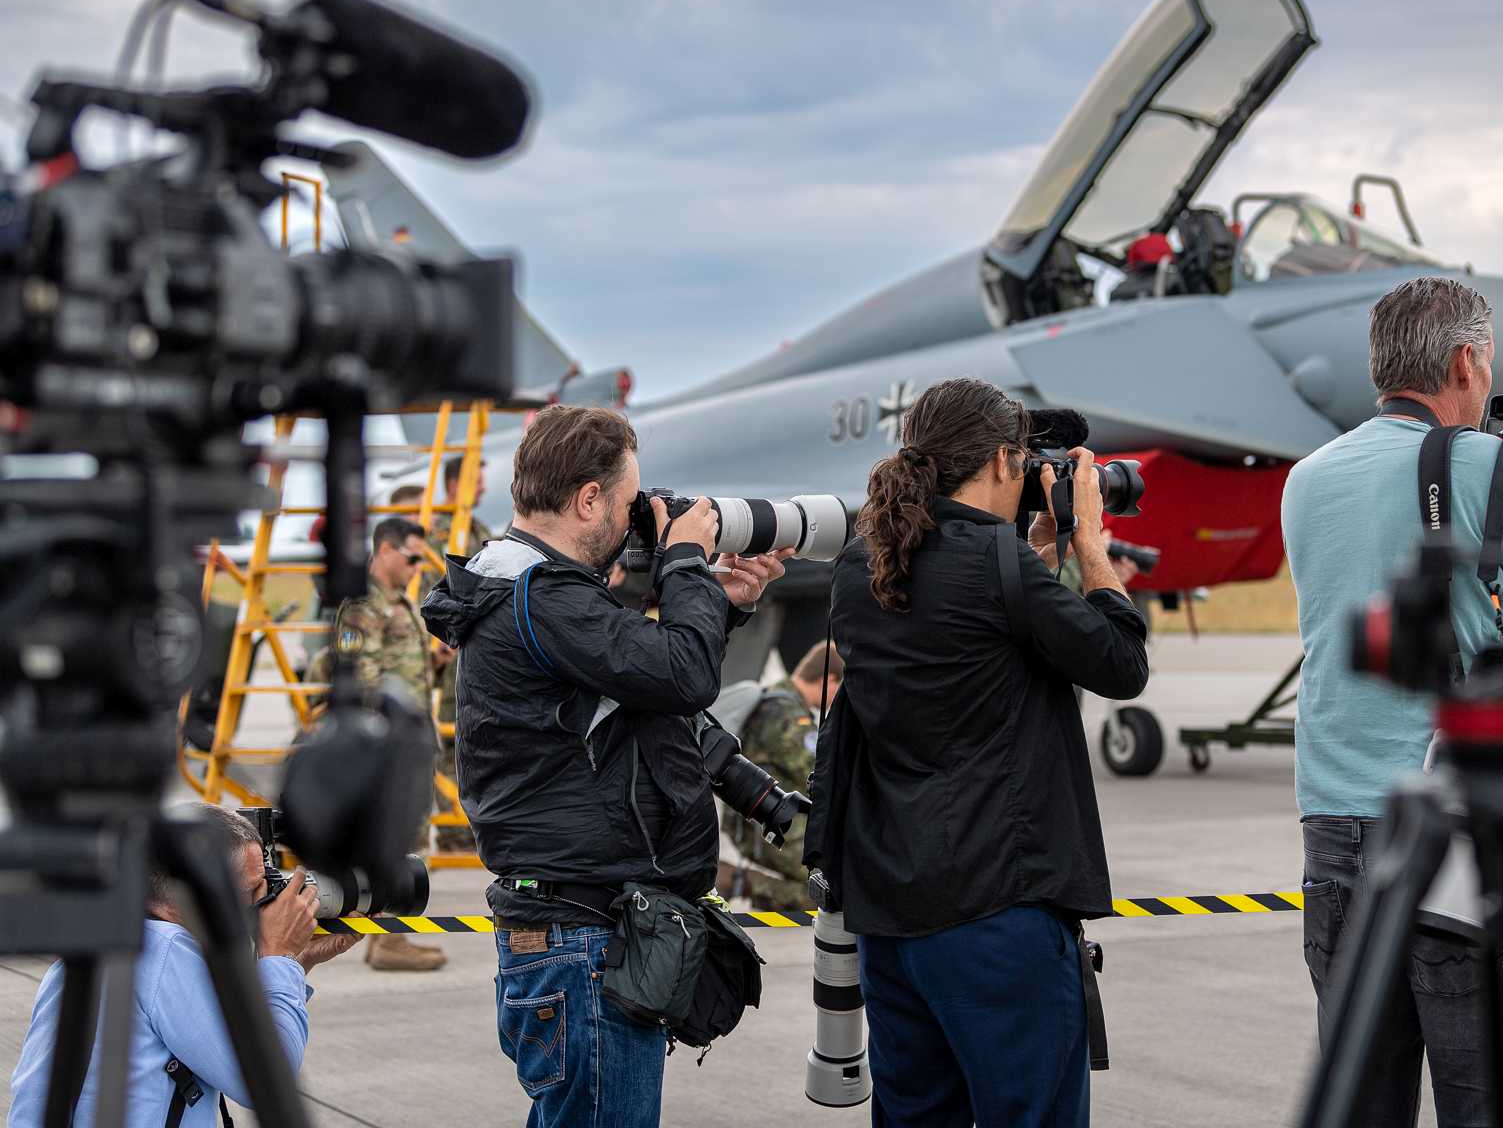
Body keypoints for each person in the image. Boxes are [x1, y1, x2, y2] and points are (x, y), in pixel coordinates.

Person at [1281, 276, 1503, 1126]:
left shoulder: (1307, 479)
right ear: (1466, 360)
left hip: (1336, 838)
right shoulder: (1478, 464)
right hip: (1459, 840)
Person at [419, 405, 788, 1127]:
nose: (632, 523)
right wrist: (684, 560)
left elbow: (643, 685)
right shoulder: (541, 597)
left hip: (575, 937)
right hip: (581, 942)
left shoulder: (530, 590)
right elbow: (679, 675)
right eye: (627, 505)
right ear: (588, 499)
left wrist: (718, 601)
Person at [807, 377, 1150, 1128]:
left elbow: (964, 634)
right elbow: (1121, 663)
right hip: (997, 914)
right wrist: (1087, 543)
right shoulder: (1000, 570)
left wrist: (1028, 558)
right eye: (1026, 458)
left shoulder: (863, 566)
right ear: (1002, 461)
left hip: (892, 920)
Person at [8, 804, 357, 1128]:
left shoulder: (111, 943)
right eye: (251, 890)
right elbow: (266, 1078)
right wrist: (278, 956)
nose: (262, 903)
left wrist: (295, 961)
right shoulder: (166, 953)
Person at [304, 516, 447, 973]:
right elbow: (359, 680)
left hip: (407, 741)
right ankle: (388, 938)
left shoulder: (397, 603)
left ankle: (390, 932)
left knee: (412, 835)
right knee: (397, 839)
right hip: (386, 746)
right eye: (409, 558)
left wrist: (437, 662)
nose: (414, 567)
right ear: (384, 550)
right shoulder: (363, 606)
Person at [719, 640, 841, 911]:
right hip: (774, 828)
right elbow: (816, 773)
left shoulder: (777, 700)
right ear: (829, 680)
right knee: (839, 884)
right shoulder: (786, 714)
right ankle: (741, 881)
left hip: (770, 825)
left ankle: (742, 881)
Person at [420, 461, 498, 852]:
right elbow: (422, 592)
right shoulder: (433, 534)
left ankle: (469, 824)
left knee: (475, 739)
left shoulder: (478, 531)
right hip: (445, 655)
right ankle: (453, 832)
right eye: (476, 481)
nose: (482, 490)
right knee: (449, 746)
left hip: (475, 653)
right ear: (455, 483)